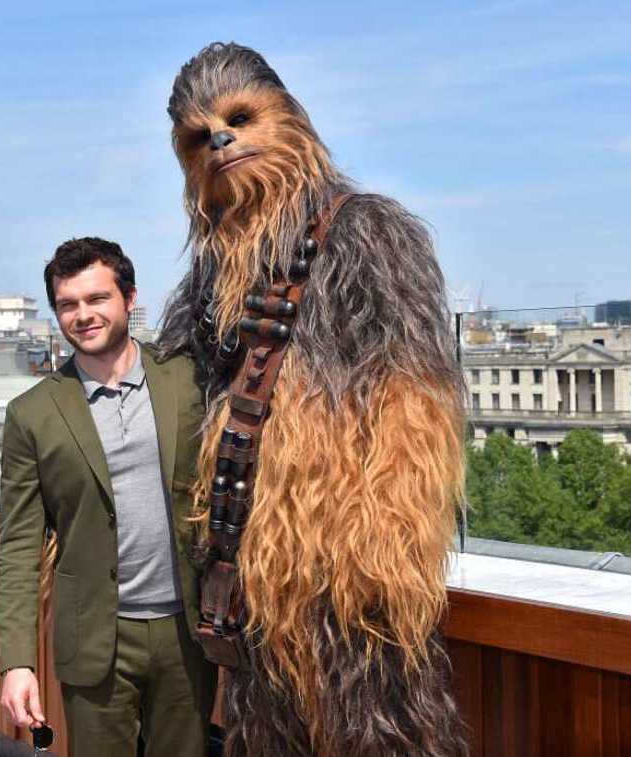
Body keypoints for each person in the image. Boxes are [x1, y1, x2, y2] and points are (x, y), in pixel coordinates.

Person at [158, 43, 467, 756]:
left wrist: (378, 553)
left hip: (353, 567)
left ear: (290, 119)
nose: (222, 142)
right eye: (200, 137)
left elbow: (416, 402)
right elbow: (172, 386)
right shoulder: (210, 268)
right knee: (264, 737)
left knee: (384, 732)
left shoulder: (367, 231)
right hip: (248, 569)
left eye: (240, 117)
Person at [0, 237, 216, 757]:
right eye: (68, 304)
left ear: (129, 299)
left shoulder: (190, 380)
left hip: (187, 631)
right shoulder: (32, 414)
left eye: (97, 299)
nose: (83, 315)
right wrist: (16, 663)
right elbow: (17, 550)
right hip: (95, 638)